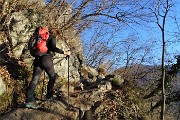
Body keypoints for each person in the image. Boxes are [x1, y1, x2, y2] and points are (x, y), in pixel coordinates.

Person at [25, 27, 71, 109]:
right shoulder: (52, 37)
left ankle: (29, 101)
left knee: (35, 79)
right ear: (56, 34)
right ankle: (49, 96)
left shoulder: (41, 37)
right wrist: (65, 52)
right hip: (46, 59)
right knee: (52, 77)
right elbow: (54, 48)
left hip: (37, 59)